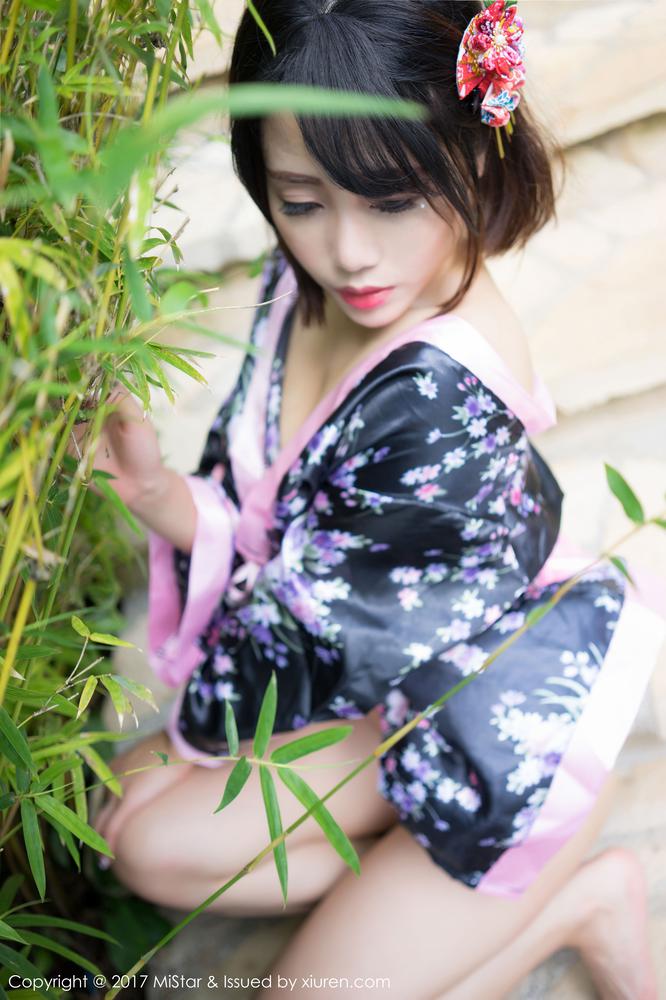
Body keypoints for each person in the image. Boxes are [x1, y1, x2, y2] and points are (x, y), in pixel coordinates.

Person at [88, 2, 665, 996]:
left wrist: (187, 745)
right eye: (302, 199)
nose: (350, 251)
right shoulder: (307, 278)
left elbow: (307, 638)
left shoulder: (441, 398)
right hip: (385, 694)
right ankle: (435, 898)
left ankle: (573, 896)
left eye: (392, 200)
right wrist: (154, 492)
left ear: (474, 155)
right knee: (138, 837)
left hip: (492, 744)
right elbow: (272, 524)